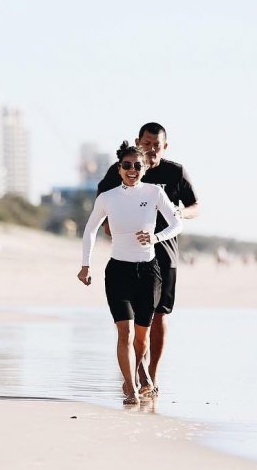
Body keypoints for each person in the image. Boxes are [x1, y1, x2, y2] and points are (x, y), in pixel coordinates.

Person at [97, 123, 198, 394]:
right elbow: (103, 200)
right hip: (129, 255)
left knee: (159, 316)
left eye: (157, 145)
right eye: (147, 143)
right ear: (138, 142)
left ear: (165, 146)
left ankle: (151, 374)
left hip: (166, 254)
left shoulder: (175, 172)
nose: (151, 149)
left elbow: (195, 206)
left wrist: (179, 213)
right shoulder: (122, 166)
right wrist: (107, 222)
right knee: (133, 321)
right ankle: (139, 374)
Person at [79, 142, 182, 404]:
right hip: (118, 272)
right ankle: (131, 386)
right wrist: (85, 265)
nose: (132, 170)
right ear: (119, 168)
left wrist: (155, 237)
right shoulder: (107, 198)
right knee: (123, 332)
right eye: (126, 166)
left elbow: (176, 224)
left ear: (144, 168)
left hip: (148, 272)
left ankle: (140, 372)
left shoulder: (154, 193)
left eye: (137, 165)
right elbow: (90, 230)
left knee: (142, 339)